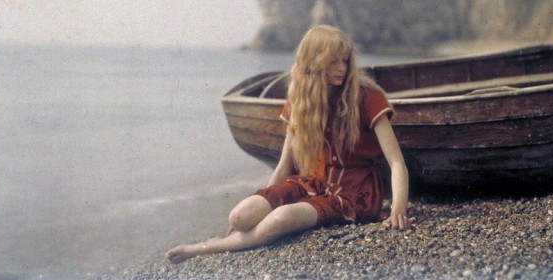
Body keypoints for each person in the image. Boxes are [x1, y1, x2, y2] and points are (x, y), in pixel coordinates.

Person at [166, 25, 410, 264]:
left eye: (345, 61)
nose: (342, 68)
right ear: (314, 63)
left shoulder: (367, 96)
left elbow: (396, 162)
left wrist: (398, 209)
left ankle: (205, 248)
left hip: (353, 194)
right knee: (240, 216)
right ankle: (233, 235)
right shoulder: (300, 102)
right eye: (334, 61)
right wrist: (268, 198)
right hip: (310, 183)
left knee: (280, 219)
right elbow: (284, 166)